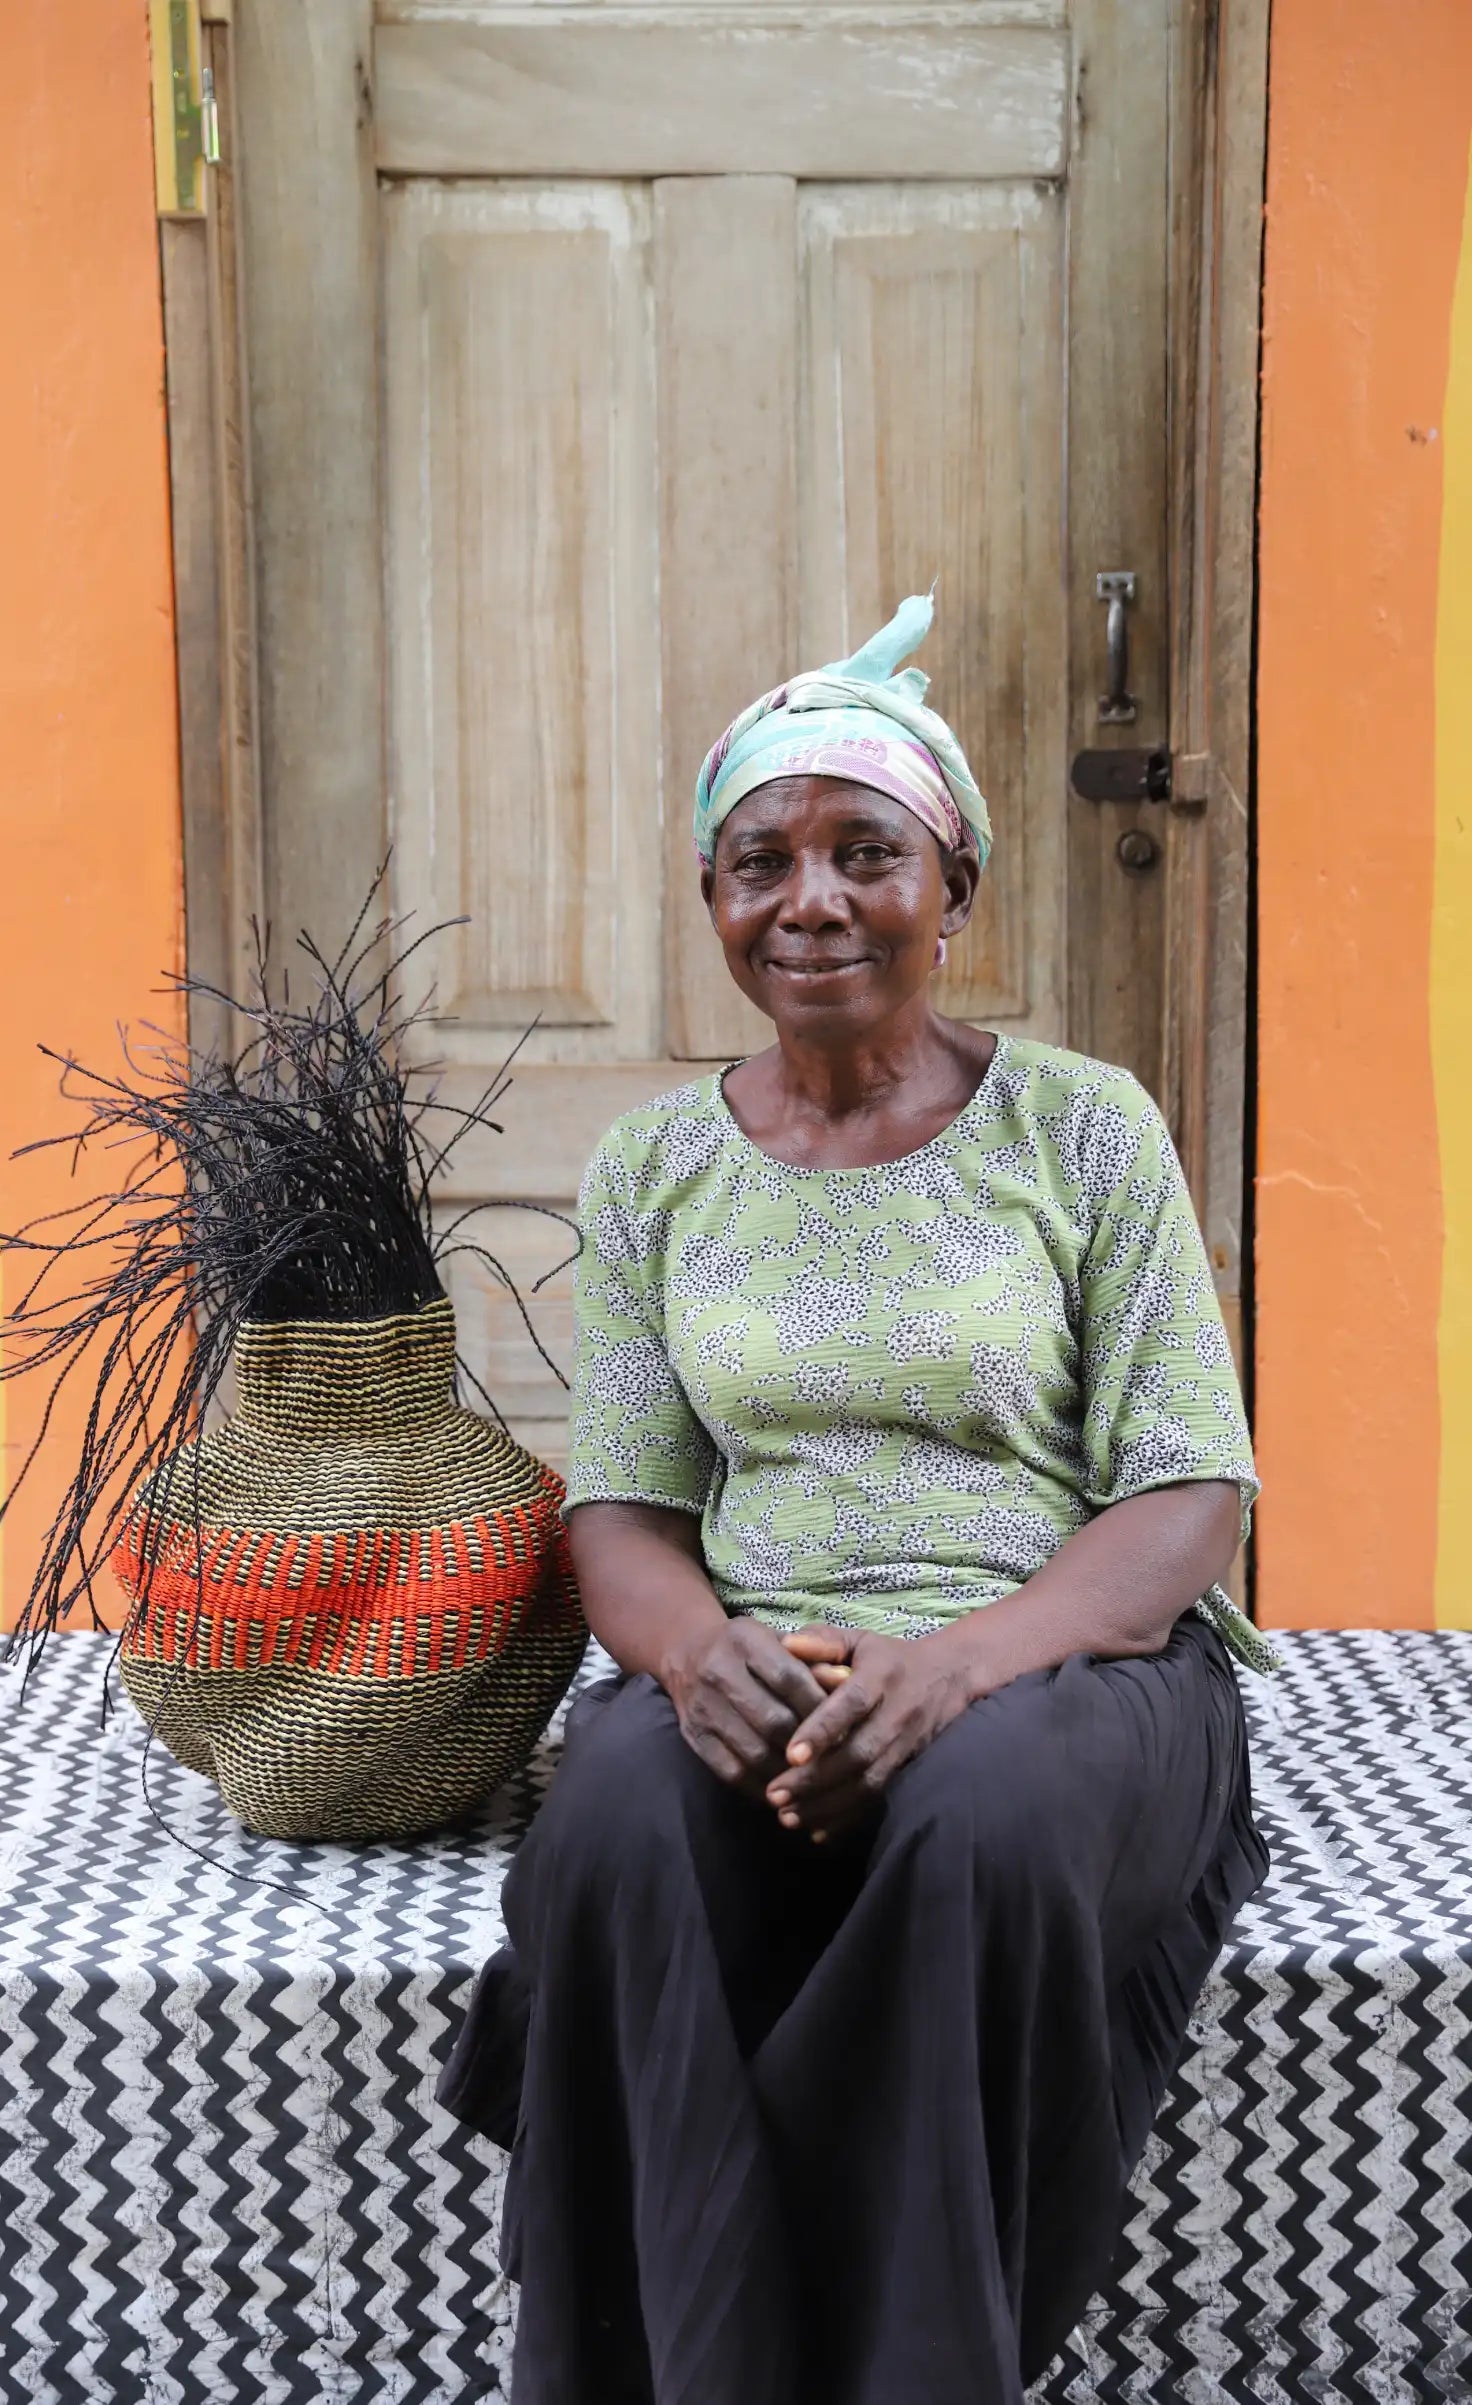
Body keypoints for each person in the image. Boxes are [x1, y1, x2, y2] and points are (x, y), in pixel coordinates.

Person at [440, 594, 1273, 2405]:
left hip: (1069, 1664)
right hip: (776, 1648)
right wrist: (696, 1658)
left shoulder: (1083, 1127)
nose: (810, 898)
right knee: (609, 1830)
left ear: (952, 885)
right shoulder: (663, 1163)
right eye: (762, 861)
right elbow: (627, 1510)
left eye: (863, 852)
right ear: (716, 902)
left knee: (972, 1826)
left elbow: (1187, 1498)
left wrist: (965, 1662)